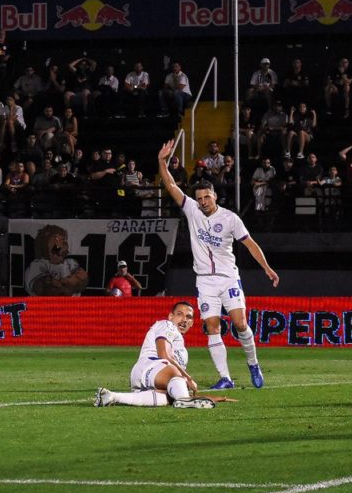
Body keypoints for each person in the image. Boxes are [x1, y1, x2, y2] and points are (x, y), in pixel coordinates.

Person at [157, 138, 280, 389]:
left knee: (240, 323)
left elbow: (250, 244)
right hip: (204, 280)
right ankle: (225, 378)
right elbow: (170, 184)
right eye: (199, 198)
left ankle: (253, 363)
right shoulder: (191, 210)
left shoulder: (230, 218)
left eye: (206, 197)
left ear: (214, 195)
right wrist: (162, 161)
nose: (202, 202)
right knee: (212, 327)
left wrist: (267, 268)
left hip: (227, 278)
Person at [94, 302, 232, 409]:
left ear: (192, 323)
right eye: (179, 314)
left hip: (147, 377)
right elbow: (163, 354)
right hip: (150, 365)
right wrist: (188, 378)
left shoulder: (183, 352)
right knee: (174, 373)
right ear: (171, 316)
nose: (184, 319)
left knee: (168, 398)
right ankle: (186, 400)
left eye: (188, 317)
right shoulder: (167, 325)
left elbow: (175, 385)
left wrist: (211, 398)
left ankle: (112, 397)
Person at [24, 223, 89, 296]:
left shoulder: (71, 263)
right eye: (56, 238)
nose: (61, 243)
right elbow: (43, 289)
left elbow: (81, 284)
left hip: (73, 306)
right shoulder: (37, 266)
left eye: (64, 240)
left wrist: (82, 279)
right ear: (45, 242)